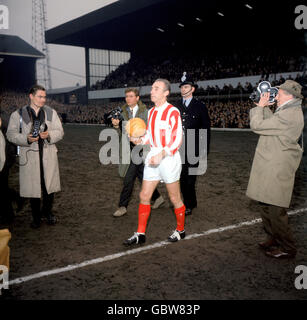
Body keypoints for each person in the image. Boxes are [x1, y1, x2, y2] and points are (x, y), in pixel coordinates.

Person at [246, 80, 305, 259]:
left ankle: (287, 247)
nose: (275, 95)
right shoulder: (286, 110)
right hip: (271, 163)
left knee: (276, 210)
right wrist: (261, 107)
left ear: (289, 95)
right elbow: (272, 122)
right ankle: (273, 237)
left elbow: (258, 126)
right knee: (264, 203)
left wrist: (260, 108)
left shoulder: (290, 114)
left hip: (277, 166)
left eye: (279, 92)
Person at [124, 79, 186, 245]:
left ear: (166, 93)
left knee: (174, 198)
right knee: (144, 195)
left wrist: (163, 154)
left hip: (169, 157)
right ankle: (140, 233)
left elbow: (177, 138)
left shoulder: (173, 112)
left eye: (156, 88)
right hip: (153, 155)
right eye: (152, 88)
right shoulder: (150, 113)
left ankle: (181, 230)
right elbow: (149, 136)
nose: (152, 91)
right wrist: (138, 139)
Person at [6, 85, 64, 228]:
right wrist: (26, 138)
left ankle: (48, 213)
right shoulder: (18, 114)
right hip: (30, 156)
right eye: (40, 96)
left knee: (48, 187)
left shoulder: (51, 112)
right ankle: (36, 217)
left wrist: (49, 134)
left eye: (44, 97)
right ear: (31, 96)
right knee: (34, 189)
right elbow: (10, 135)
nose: (43, 99)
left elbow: (60, 131)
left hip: (48, 155)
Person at [111, 88, 164, 217]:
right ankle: (157, 198)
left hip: (142, 150)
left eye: (130, 96)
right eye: (126, 96)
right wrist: (117, 126)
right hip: (128, 150)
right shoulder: (121, 112)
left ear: (137, 98)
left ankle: (122, 206)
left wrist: (137, 136)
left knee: (129, 179)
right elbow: (119, 134)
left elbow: (148, 130)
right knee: (141, 177)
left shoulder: (145, 112)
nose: (127, 99)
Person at [175, 73, 211, 216]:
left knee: (190, 178)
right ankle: (191, 202)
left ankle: (188, 204)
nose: (183, 89)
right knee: (182, 178)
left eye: (186, 86)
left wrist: (204, 150)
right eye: (182, 87)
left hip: (194, 147)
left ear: (192, 89)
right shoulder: (176, 106)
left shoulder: (200, 106)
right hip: (179, 147)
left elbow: (205, 129)